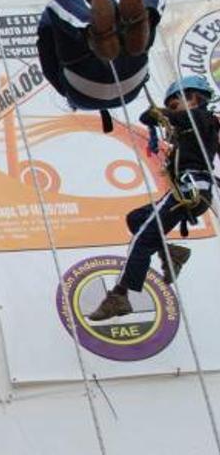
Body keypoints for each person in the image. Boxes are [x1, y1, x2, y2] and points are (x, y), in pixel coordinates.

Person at [89, 76, 219, 321]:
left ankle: (120, 295)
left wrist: (160, 113)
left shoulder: (199, 118)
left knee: (142, 241)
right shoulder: (194, 126)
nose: (173, 110)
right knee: (136, 219)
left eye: (174, 104)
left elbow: (151, 117)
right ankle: (172, 253)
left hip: (190, 193)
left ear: (192, 98)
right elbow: (155, 119)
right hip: (184, 192)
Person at [37, 0, 165, 111]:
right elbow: (113, 10)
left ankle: (93, 31)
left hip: (86, 86)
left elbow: (46, 52)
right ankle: (144, 19)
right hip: (131, 72)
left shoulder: (68, 90)